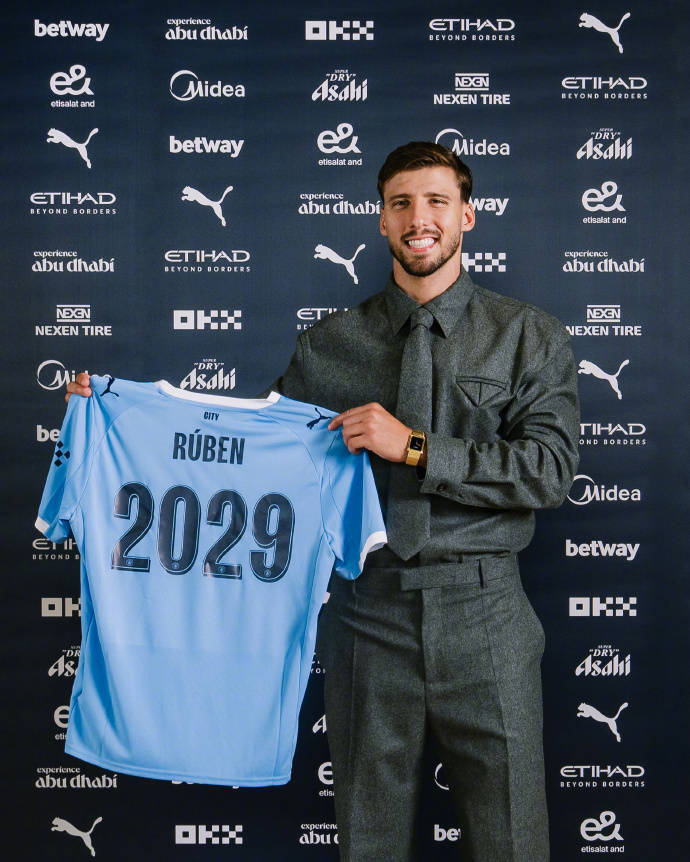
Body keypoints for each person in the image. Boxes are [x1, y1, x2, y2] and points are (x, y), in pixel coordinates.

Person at [66, 141, 579, 861]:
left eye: (436, 201)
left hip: (486, 611)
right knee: (367, 841)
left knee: (513, 839)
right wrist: (118, 418)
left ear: (468, 214)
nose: (419, 219)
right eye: (401, 203)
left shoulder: (529, 337)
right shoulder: (328, 345)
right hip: (366, 615)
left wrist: (414, 447)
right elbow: (249, 462)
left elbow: (549, 471)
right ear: (381, 220)